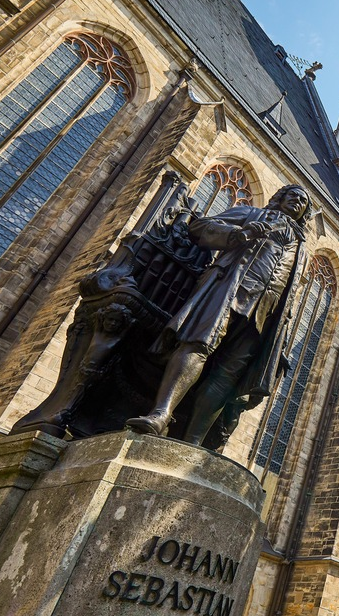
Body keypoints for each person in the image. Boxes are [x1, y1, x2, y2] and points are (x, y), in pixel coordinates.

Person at [126, 184, 310, 444]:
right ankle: (161, 414)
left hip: (263, 314)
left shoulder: (301, 248)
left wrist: (281, 334)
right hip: (228, 289)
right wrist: (238, 234)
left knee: (227, 376)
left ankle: (194, 442)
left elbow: (289, 295)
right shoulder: (252, 214)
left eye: (303, 201)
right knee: (197, 344)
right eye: (293, 195)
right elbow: (200, 227)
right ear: (280, 198)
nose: (297, 201)